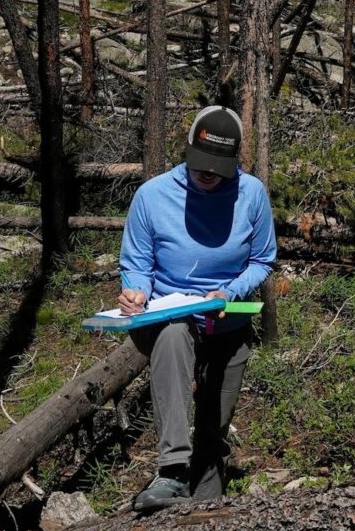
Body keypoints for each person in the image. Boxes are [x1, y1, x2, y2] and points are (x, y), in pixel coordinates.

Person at [118, 105, 276, 510]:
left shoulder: (252, 194)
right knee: (172, 336)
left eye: (218, 168)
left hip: (227, 319)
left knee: (213, 427)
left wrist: (229, 293)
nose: (207, 174)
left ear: (235, 162)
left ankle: (204, 509)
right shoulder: (152, 196)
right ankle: (171, 471)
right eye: (200, 163)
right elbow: (137, 263)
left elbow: (262, 260)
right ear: (187, 149)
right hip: (169, 316)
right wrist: (135, 291)